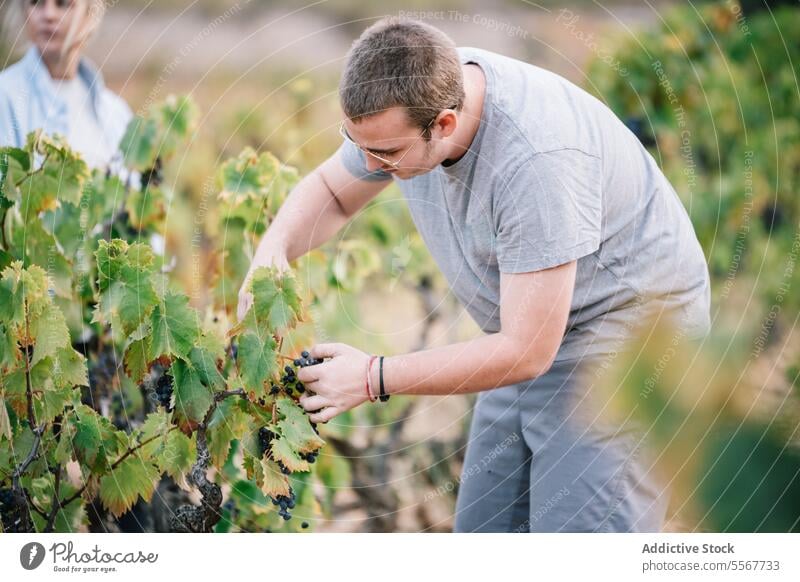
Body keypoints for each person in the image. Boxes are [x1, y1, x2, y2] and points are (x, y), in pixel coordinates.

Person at [237, 17, 711, 532]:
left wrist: (372, 376)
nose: (370, 163)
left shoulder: (536, 161)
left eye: (387, 154)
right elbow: (331, 191)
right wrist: (271, 251)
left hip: (627, 343)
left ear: (443, 124)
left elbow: (527, 352)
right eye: (358, 143)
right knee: (485, 531)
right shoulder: (408, 93)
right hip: (529, 327)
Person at [0, 0, 131, 169]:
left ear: (90, 14)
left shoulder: (117, 114)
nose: (49, 15)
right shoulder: (5, 98)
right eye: (36, 3)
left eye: (62, 4)